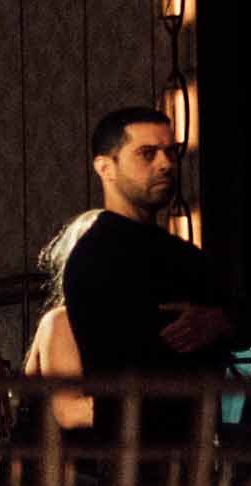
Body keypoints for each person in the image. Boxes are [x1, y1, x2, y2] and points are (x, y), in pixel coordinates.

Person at [53, 107, 231, 378]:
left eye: (171, 152)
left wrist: (223, 321)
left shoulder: (182, 253)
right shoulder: (96, 257)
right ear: (105, 168)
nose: (165, 164)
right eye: (147, 154)